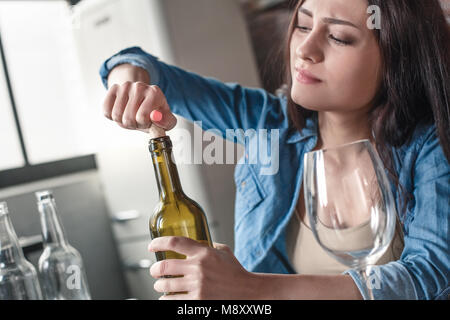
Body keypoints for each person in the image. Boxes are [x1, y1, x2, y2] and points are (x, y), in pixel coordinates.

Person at [99, 0, 449, 300]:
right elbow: (139, 64)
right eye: (303, 25)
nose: (305, 50)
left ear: (399, 58)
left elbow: (428, 274)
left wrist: (250, 288)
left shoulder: (432, 146)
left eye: (339, 37)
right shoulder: (267, 124)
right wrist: (128, 87)